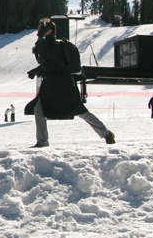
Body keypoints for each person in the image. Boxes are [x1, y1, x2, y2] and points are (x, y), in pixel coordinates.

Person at [25, 18, 115, 148]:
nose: (39, 32)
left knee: (80, 111)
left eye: (42, 30)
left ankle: (107, 134)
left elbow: (50, 63)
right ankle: (42, 141)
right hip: (51, 85)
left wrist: (36, 69)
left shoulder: (55, 46)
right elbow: (45, 62)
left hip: (63, 86)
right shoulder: (49, 45)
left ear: (49, 31)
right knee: (39, 108)